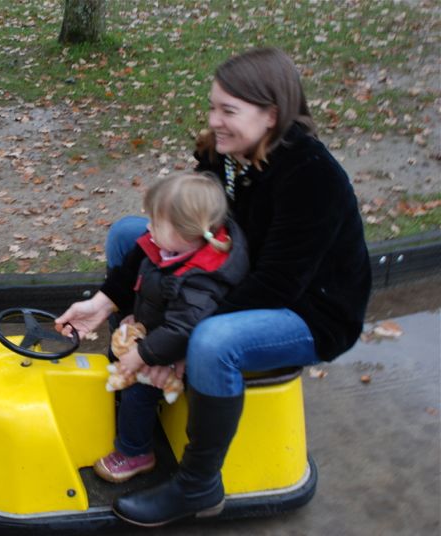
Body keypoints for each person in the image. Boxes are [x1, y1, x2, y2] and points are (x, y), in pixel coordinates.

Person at [57, 47, 372, 527]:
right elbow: (176, 231)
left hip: (309, 310)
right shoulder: (221, 155)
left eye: (228, 111)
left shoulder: (312, 177)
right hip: (234, 275)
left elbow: (276, 286)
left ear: (271, 115)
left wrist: (175, 346)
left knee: (212, 340)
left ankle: (198, 485)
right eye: (212, 107)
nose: (214, 121)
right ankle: (138, 378)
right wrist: (106, 301)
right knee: (128, 233)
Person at [66, 172, 248, 484]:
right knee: (122, 362)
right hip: (156, 336)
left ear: (185, 232)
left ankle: (135, 451)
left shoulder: (199, 279)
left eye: (156, 223)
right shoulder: (169, 250)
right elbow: (150, 292)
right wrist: (132, 317)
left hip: (176, 350)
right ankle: (126, 406)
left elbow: (182, 328)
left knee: (139, 390)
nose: (148, 227)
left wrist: (143, 355)